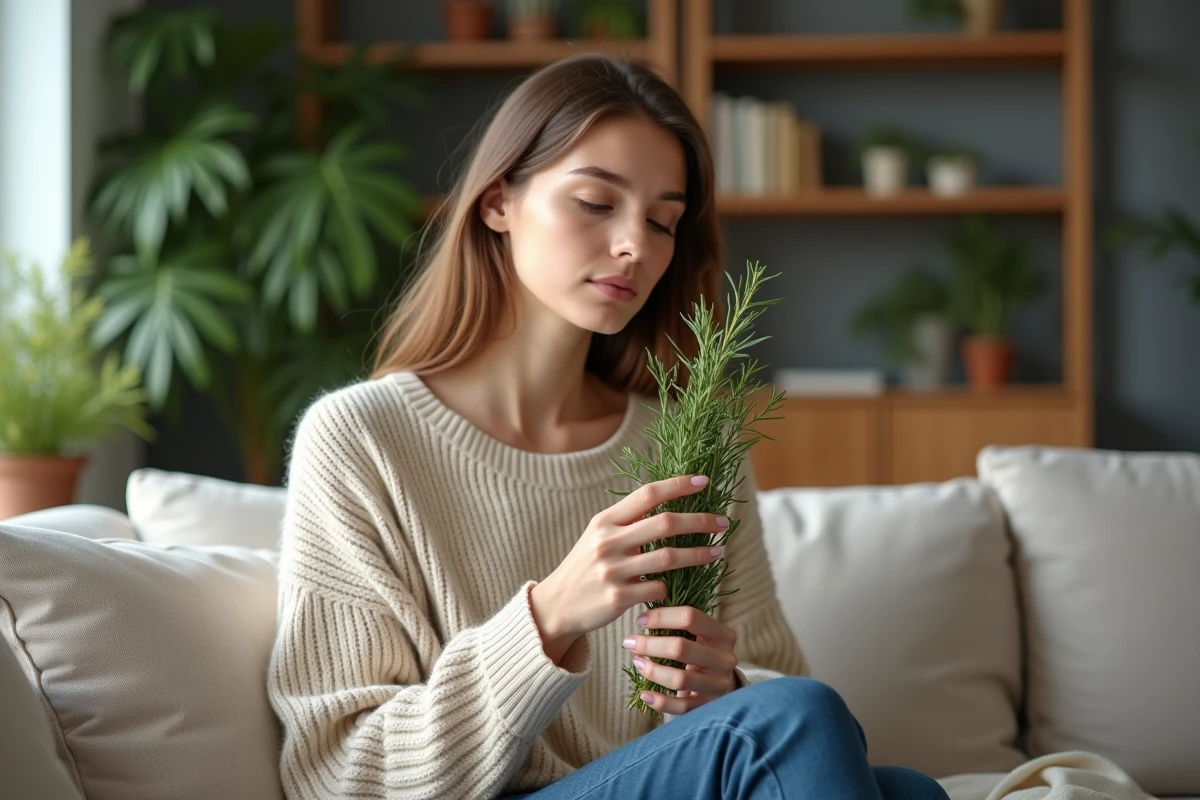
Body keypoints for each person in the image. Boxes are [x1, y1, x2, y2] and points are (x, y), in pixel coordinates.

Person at [267, 53, 949, 800]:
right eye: (596, 202)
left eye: (662, 221)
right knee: (800, 721)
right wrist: (551, 614)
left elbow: (772, 691)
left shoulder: (689, 446)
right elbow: (339, 772)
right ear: (498, 202)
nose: (636, 245)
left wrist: (718, 690)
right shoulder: (361, 439)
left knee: (908, 791)